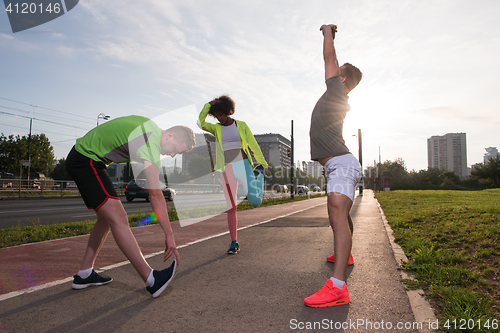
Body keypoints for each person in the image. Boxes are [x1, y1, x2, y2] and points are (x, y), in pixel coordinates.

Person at [66, 115, 195, 298]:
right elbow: (155, 195)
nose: (173, 155)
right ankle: (151, 280)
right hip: (86, 160)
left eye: (177, 154)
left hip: (86, 158)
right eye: (175, 150)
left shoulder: (149, 129)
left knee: (106, 220)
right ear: (170, 136)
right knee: (119, 218)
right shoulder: (151, 140)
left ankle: (84, 273)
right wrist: (169, 234)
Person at [304, 24, 363, 308]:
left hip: (341, 164)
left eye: (338, 69)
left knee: (336, 215)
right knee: (340, 213)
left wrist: (328, 33)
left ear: (342, 76)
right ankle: (346, 255)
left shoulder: (336, 91)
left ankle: (338, 287)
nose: (333, 69)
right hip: (339, 165)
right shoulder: (337, 96)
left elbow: (329, 58)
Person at [197, 95, 268, 254]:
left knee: (255, 201)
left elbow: (253, 145)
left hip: (243, 165)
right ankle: (233, 242)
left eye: (220, 115)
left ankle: (260, 176)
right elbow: (200, 123)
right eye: (216, 116)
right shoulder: (216, 128)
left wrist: (262, 163)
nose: (219, 118)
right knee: (231, 207)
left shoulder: (241, 125)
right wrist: (208, 105)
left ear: (228, 111)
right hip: (227, 168)